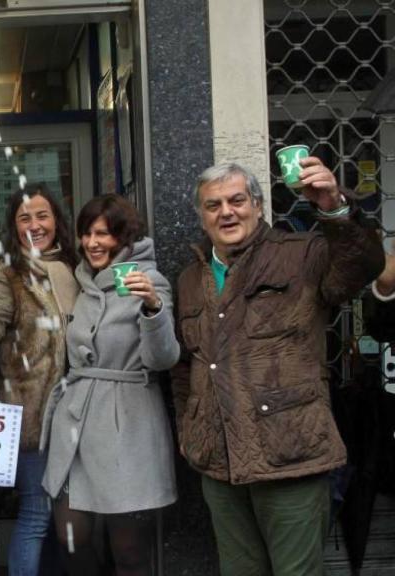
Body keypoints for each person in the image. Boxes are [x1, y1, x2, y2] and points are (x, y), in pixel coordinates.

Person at [171, 157, 384, 576]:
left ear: (257, 206)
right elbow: (185, 365)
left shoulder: (301, 254)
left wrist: (335, 208)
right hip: (220, 463)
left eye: (236, 200)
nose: (226, 212)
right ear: (201, 216)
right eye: (213, 205)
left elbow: (363, 267)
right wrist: (188, 428)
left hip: (291, 457)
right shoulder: (189, 279)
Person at [40, 194, 179, 575]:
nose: (92, 243)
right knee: (71, 535)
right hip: (77, 425)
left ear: (124, 237)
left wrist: (152, 308)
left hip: (128, 424)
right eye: (86, 234)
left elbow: (163, 358)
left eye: (103, 234)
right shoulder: (82, 281)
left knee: (130, 550)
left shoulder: (149, 282)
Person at [0, 183, 78, 575]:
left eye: (42, 215)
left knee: (68, 520)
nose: (35, 225)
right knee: (36, 516)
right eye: (24, 218)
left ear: (57, 220)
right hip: (33, 418)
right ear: (13, 226)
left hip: (78, 417)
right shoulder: (5, 273)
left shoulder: (77, 268)